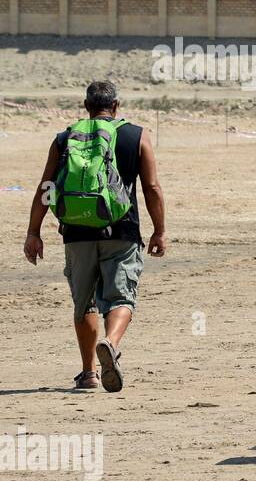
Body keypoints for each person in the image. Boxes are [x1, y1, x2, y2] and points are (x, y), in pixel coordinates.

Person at [23, 80, 166, 392]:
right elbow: (151, 187)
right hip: (122, 230)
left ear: (86, 107)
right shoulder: (136, 135)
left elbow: (47, 187)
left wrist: (34, 232)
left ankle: (88, 373)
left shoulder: (65, 138)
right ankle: (111, 344)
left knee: (84, 302)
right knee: (121, 297)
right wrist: (159, 231)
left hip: (76, 232)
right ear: (116, 107)